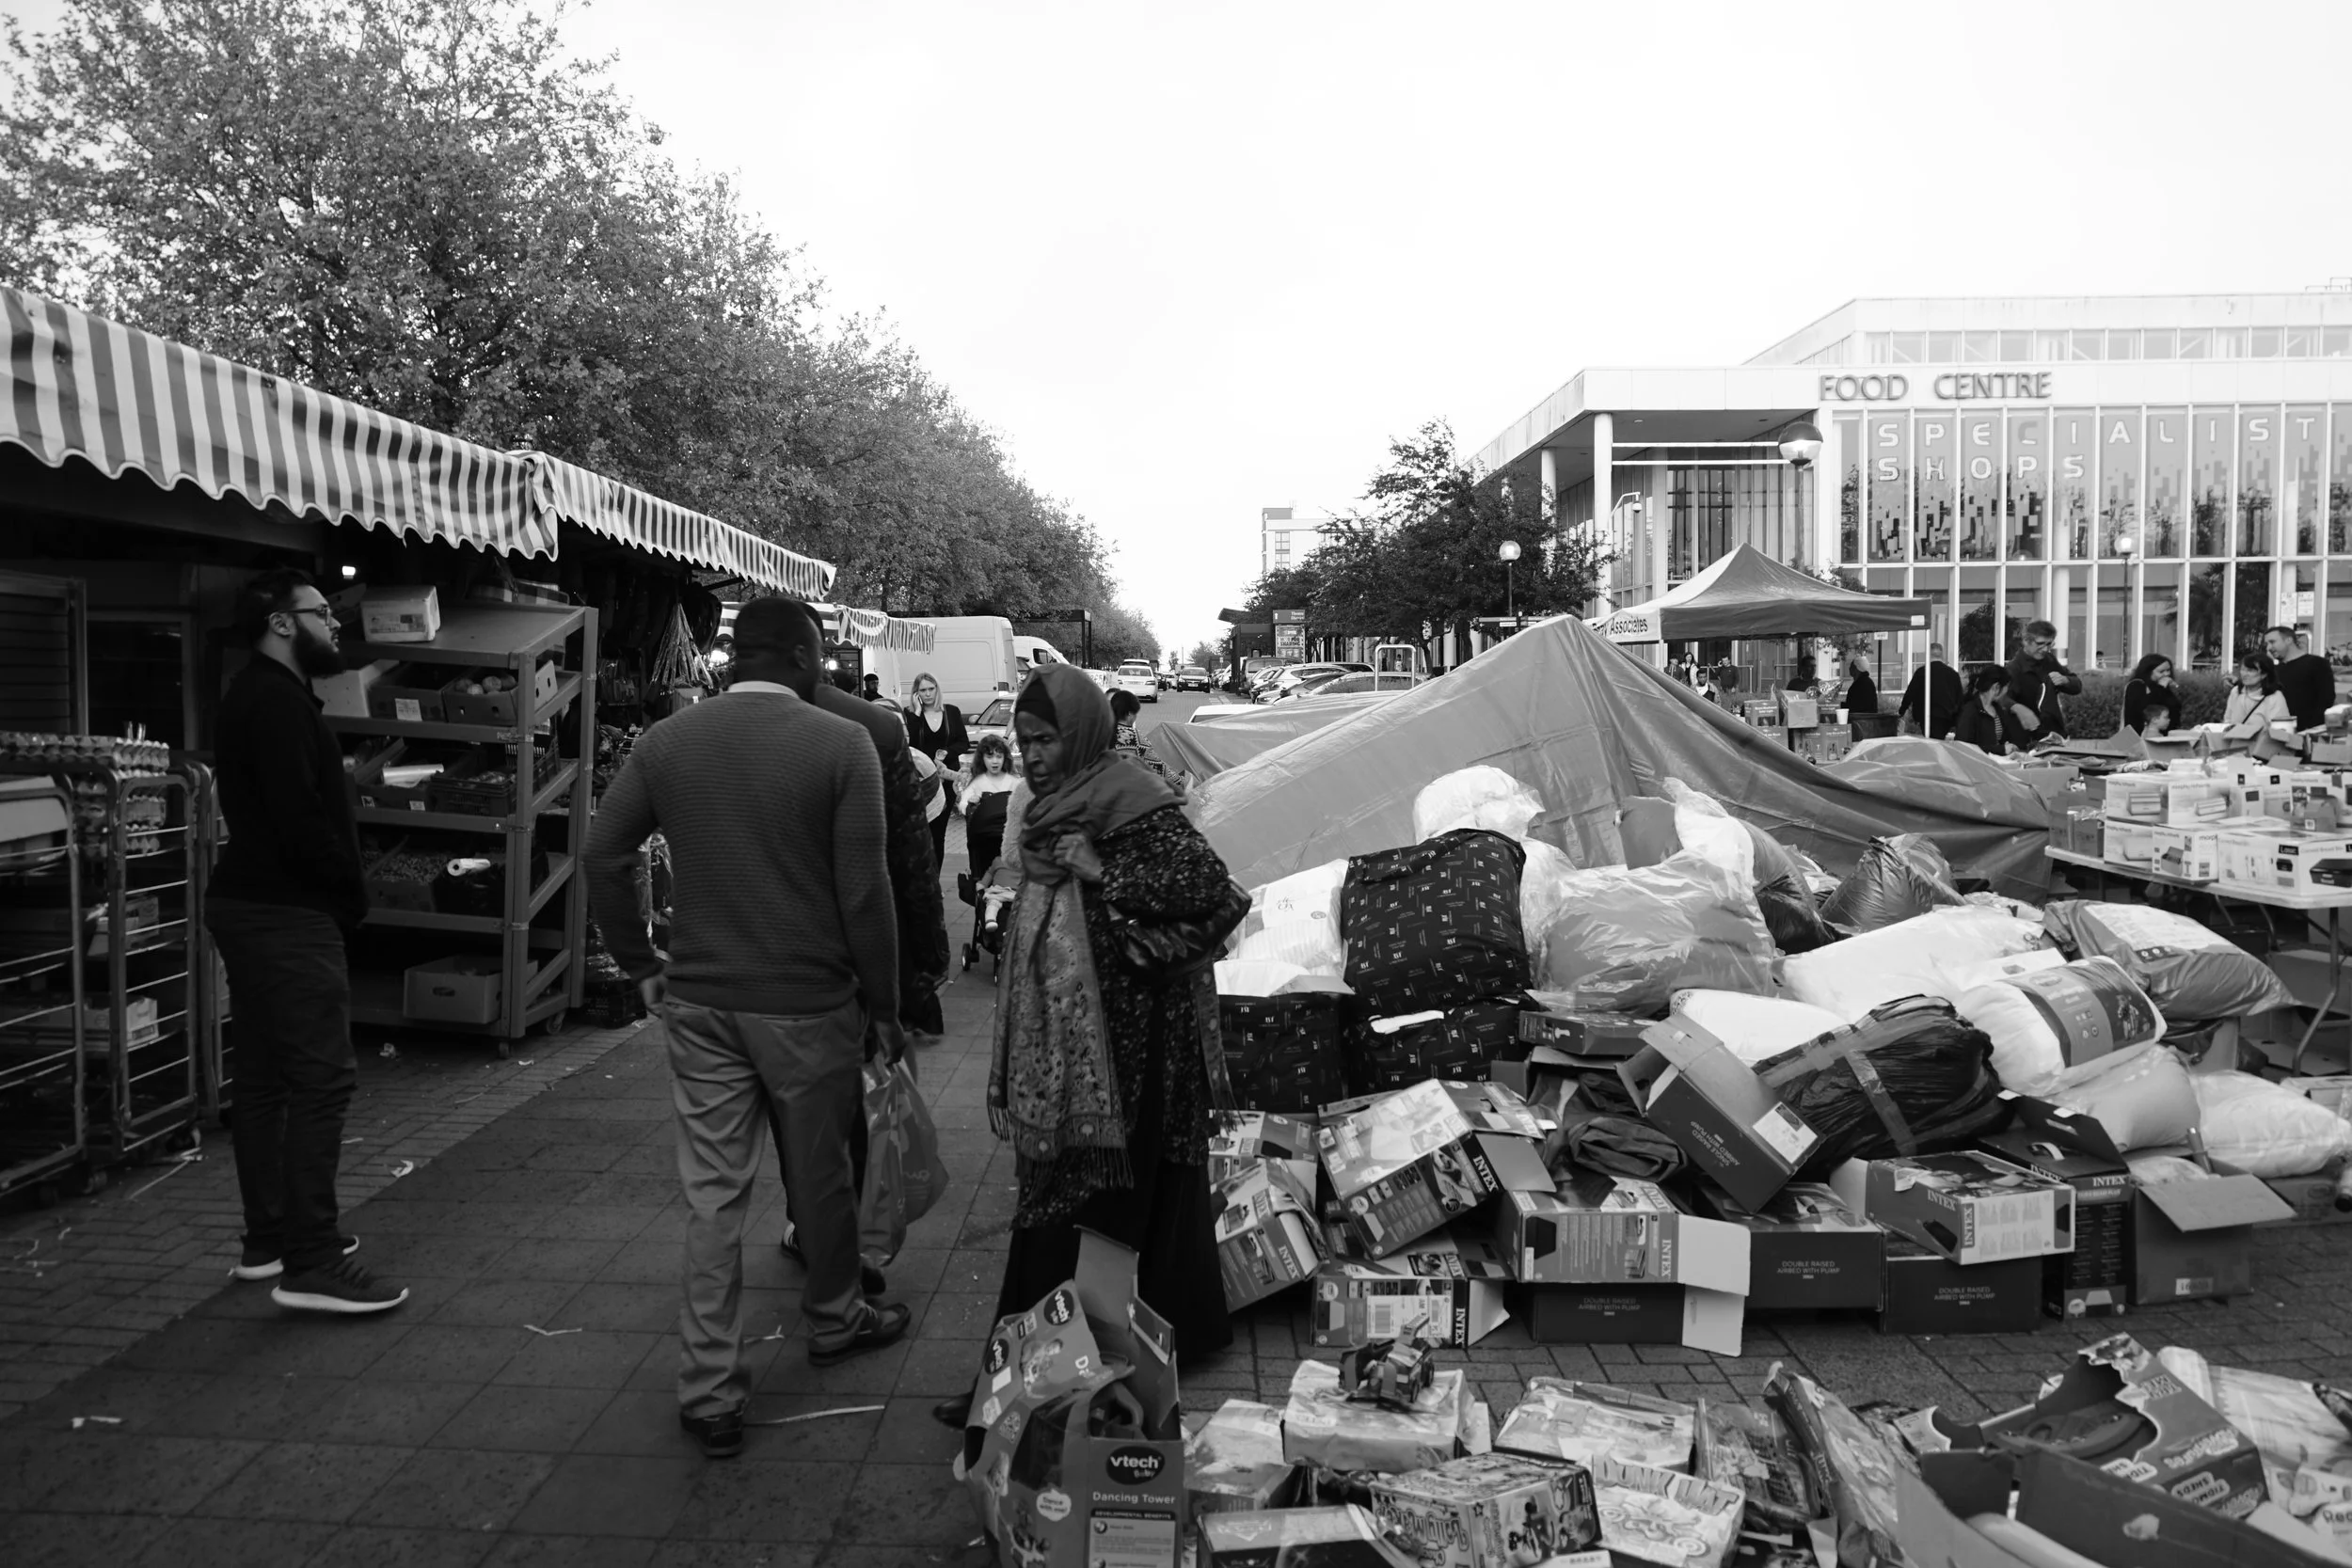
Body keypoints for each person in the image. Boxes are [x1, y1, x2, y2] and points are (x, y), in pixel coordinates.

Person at [585, 597, 911, 1460]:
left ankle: (709, 1390)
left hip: (698, 1005)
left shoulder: (666, 743)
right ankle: (836, 1319)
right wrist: (884, 1005)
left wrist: (640, 959)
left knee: (712, 1198)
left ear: (734, 660)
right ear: (807, 660)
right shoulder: (846, 745)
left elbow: (603, 853)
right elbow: (865, 894)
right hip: (809, 1007)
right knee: (823, 1179)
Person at [933, 665, 1236, 1429]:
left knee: (1073, 1210)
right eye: (1024, 740)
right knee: (1072, 1206)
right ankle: (1027, 1373)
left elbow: (1208, 884)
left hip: (1130, 1046)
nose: (1032, 755)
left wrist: (1101, 869)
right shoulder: (1058, 800)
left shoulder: (1126, 793)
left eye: (1047, 738)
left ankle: (1027, 1380)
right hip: (1078, 1043)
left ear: (1083, 733)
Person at [205, 570, 407, 1315]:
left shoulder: (264, 695)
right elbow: (299, 821)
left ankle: (271, 1240)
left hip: (252, 904)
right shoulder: (276, 702)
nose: (333, 623)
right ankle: (311, 1260)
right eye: (322, 612)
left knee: (264, 1079)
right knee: (323, 1078)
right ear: (282, 623)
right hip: (285, 914)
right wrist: (347, 892)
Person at [904, 671, 970, 871]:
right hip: (922, 780)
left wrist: (947, 752)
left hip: (948, 778)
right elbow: (910, 744)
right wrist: (916, 714)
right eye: (922, 690)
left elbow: (963, 742)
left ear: (937, 689)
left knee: (939, 832)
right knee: (921, 832)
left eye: (931, 689)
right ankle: (920, 878)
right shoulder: (911, 715)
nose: (928, 694)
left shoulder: (951, 711)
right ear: (916, 694)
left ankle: (934, 880)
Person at [2006, 620, 2081, 739]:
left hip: (2053, 734)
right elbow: (2000, 698)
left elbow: (2077, 686)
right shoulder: (2014, 669)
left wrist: (2065, 680)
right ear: (2026, 641)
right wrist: (2017, 708)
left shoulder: (2050, 660)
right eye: (2040, 643)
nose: (2045, 649)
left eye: (2049, 644)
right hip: (2026, 736)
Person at [961, 734, 1019, 876]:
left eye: (999, 757)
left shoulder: (1013, 781)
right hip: (984, 838)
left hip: (1009, 836)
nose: (995, 761)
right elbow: (963, 805)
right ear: (982, 759)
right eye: (990, 756)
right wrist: (970, 802)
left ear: (1005, 758)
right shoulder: (977, 782)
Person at [2265, 626, 2337, 731]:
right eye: (2267, 644)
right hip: (2280, 733)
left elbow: (2327, 698)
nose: (2268, 648)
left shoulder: (2317, 663)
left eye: (2272, 642)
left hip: (2309, 732)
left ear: (2289, 640)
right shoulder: (2275, 670)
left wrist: (2313, 727)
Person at [1953, 665, 2035, 756]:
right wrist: (2000, 749)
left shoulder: (1998, 709)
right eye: (2006, 687)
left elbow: (2005, 738)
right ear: (1996, 687)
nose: (2007, 691)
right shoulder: (1970, 711)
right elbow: (1963, 747)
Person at [1897, 643, 1963, 738]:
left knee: (1930, 739)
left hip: (1925, 714)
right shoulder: (1953, 674)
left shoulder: (1921, 672)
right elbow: (1959, 698)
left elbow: (1910, 693)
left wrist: (1901, 712)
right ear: (1942, 655)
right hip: (1946, 716)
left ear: (1928, 655)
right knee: (1939, 739)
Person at [2122, 654, 2182, 736]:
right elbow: (2142, 709)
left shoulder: (2164, 688)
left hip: (2163, 735)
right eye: (2161, 672)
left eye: (2168, 670)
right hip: (2135, 737)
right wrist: (2160, 688)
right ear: (2149, 671)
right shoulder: (2137, 685)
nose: (2166, 674)